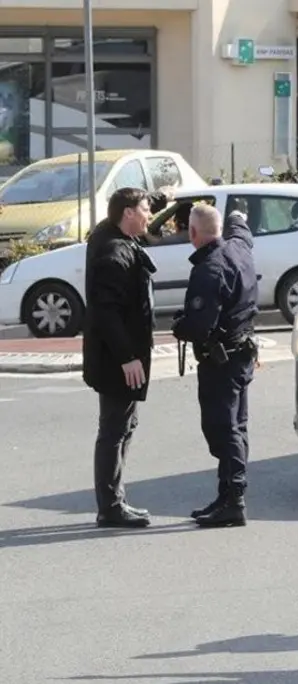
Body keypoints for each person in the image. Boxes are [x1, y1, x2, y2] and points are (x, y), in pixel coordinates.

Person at [171, 204, 260, 528]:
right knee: (236, 426)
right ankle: (226, 495)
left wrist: (179, 326)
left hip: (221, 361)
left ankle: (234, 500)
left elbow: (199, 326)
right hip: (241, 355)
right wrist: (238, 214)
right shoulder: (238, 248)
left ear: (193, 233)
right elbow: (242, 230)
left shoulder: (210, 270)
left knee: (222, 429)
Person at [82, 187, 161, 529]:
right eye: (145, 209)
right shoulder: (114, 252)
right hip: (117, 360)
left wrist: (160, 195)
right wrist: (128, 357)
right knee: (115, 429)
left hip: (117, 357)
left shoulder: (110, 230)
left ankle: (115, 501)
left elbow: (141, 201)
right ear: (128, 213)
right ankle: (111, 507)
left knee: (123, 426)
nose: (149, 215)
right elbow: (106, 312)